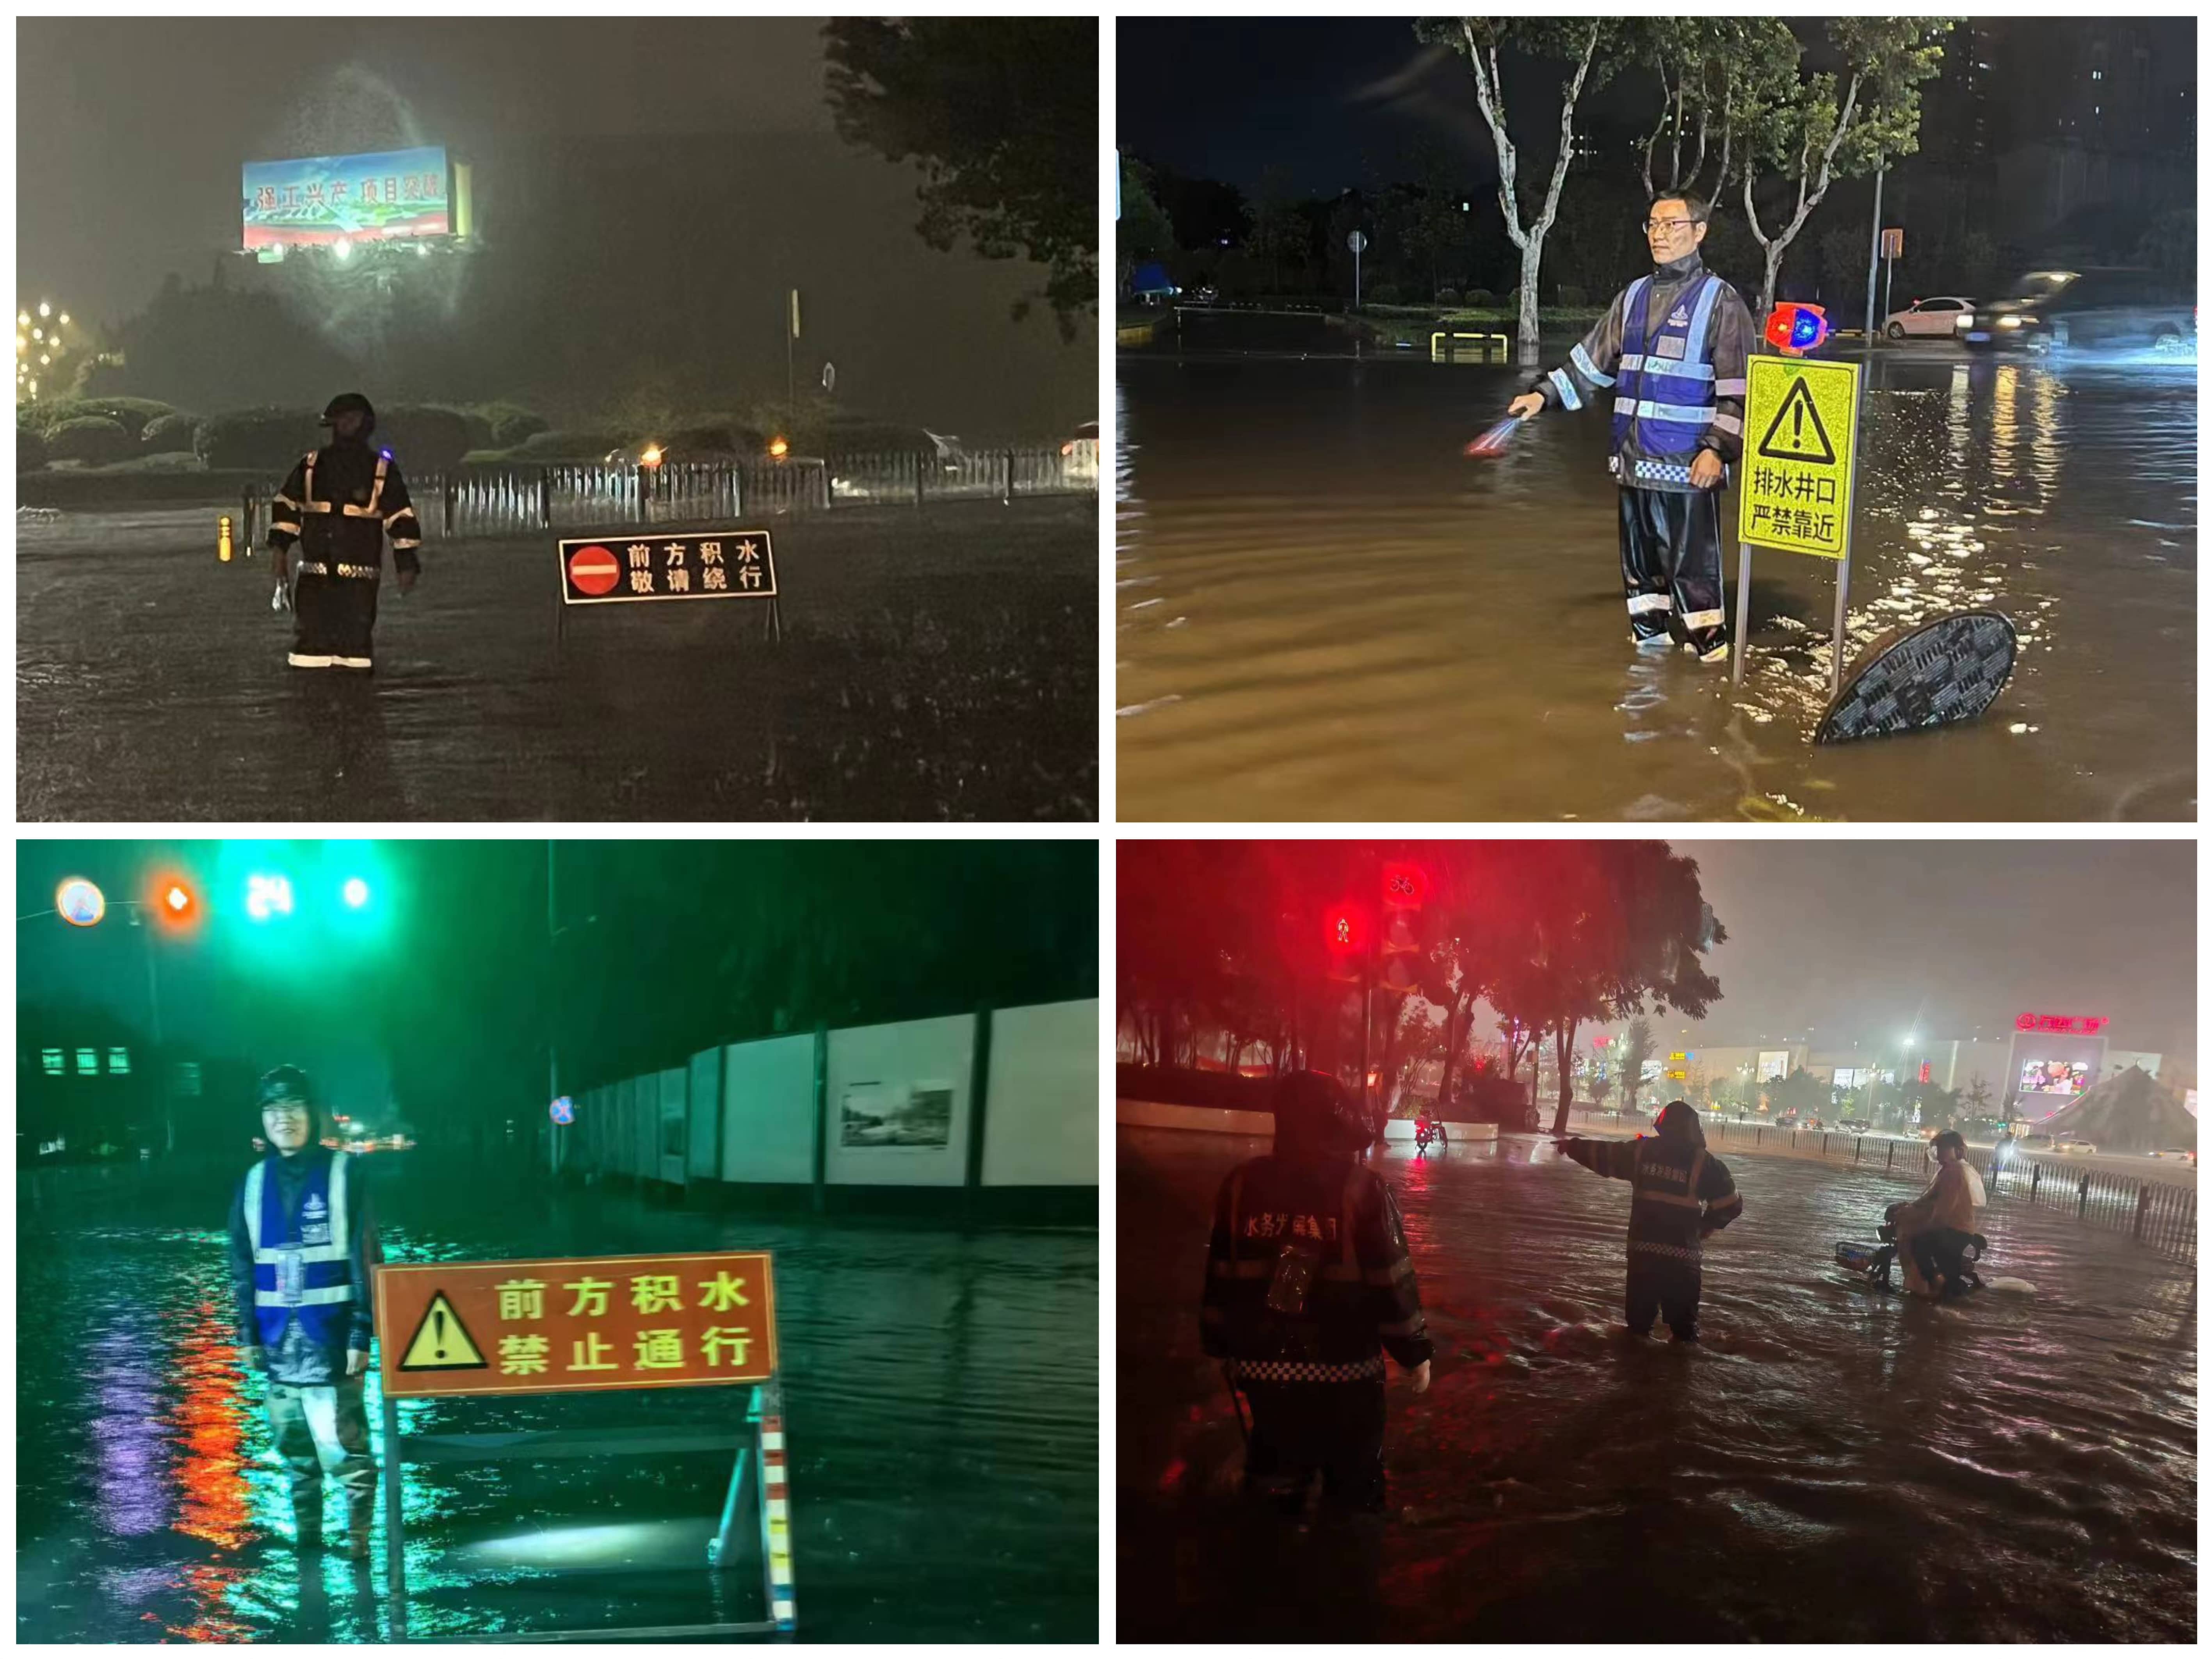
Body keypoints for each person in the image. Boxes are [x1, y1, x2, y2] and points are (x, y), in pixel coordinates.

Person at [1506, 192, 1758, 664]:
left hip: (1688, 467)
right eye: (1653, 225)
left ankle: (1712, 658)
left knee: (1693, 569)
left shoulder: (1720, 301)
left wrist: (1718, 450)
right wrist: (1543, 395)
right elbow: (1591, 364)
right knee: (1641, 573)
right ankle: (1650, 658)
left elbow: (1741, 389)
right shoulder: (1634, 297)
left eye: (1671, 224)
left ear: (1699, 232)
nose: (1659, 234)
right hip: (1634, 461)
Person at [1200, 1070, 1433, 1516]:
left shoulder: (1240, 1185)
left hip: (1262, 1372)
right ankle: (1345, 1570)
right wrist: (1414, 1351)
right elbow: (1392, 1280)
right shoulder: (1364, 1190)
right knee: (1354, 1490)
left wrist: (1217, 1344)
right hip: (1346, 1374)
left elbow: (1220, 1276)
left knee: (1274, 1482)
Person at [228, 1066, 382, 1557]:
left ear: (313, 1115)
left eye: (293, 1107)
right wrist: (247, 1333)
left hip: (333, 1344)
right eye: (273, 1110)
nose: (283, 1119)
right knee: (295, 1456)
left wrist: (363, 1333)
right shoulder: (253, 1182)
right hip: (276, 1347)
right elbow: (240, 1264)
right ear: (263, 1119)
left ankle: (358, 1544)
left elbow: (368, 1257)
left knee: (349, 1454)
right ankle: (308, 1546)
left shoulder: (344, 1174)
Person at [1560, 1098, 1742, 1341]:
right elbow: (1732, 1204)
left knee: (1637, 1331)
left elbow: (1604, 1155)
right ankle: (1682, 1376)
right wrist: (1707, 1226)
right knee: (1684, 1335)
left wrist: (1571, 1146)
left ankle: (1634, 1374)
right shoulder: (1706, 1164)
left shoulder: (1641, 1152)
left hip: (1643, 1256)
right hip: (1683, 1260)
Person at [267, 393, 424, 671]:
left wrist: (407, 564)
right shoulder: (312, 465)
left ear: (366, 424)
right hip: (315, 579)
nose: (345, 426)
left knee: (355, 653)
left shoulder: (381, 469)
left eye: (352, 419)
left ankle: (356, 707)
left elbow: (401, 518)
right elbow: (286, 510)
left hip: (360, 582)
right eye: (340, 420)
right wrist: (279, 556)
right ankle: (309, 706)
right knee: (309, 652)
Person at [1893, 1130, 1986, 1297]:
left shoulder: (1954, 1172)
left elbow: (1945, 1206)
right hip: (1949, 1226)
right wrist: (1908, 1208)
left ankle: (1935, 1287)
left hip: (1955, 1229)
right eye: (1939, 1148)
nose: (1941, 1152)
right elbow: (1929, 1198)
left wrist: (1929, 1224)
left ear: (1957, 1150)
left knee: (1919, 1244)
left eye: (1946, 1148)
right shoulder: (1946, 1170)